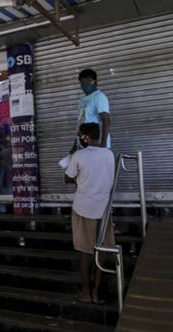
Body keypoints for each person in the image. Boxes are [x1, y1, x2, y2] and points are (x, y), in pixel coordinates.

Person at [65, 123, 116, 304]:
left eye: (80, 135)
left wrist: (73, 154)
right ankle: (97, 292)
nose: (79, 137)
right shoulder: (109, 154)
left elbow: (67, 177)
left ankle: (86, 292)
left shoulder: (79, 155)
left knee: (85, 251)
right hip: (104, 209)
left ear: (85, 137)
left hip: (83, 209)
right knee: (100, 250)